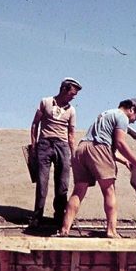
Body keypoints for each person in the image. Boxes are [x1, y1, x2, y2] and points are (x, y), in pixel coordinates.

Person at [58, 98, 136, 238]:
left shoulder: (106, 114)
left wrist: (126, 161)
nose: (133, 121)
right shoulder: (122, 117)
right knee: (109, 190)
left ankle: (64, 230)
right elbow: (118, 143)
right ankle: (111, 231)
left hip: (82, 149)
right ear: (132, 109)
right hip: (98, 148)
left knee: (78, 191)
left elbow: (107, 147)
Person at [28, 77, 82, 229]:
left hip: (62, 146)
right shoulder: (45, 102)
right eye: (72, 92)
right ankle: (37, 216)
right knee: (42, 182)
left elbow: (71, 134)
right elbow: (35, 124)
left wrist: (72, 155)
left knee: (62, 184)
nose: (74, 96)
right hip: (44, 144)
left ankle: (59, 216)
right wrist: (34, 146)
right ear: (64, 89)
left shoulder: (71, 110)